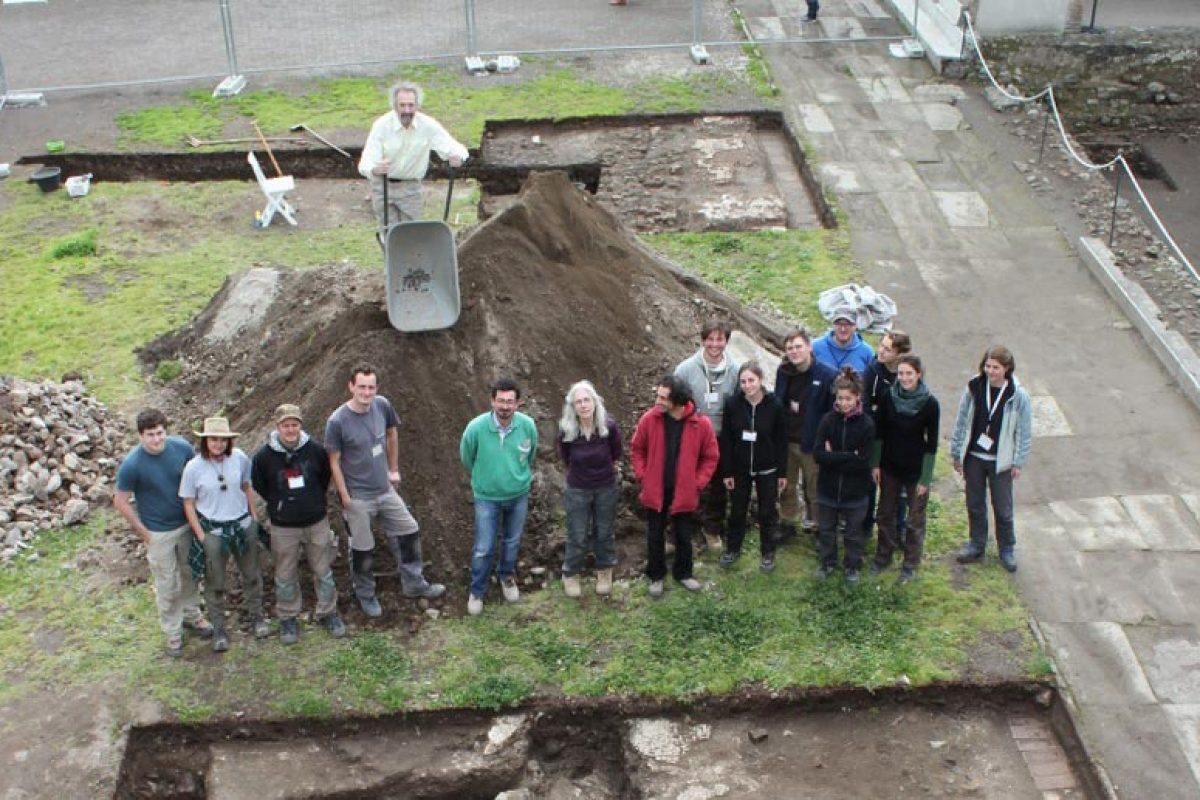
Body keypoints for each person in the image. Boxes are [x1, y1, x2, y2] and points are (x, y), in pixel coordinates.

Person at [326, 364, 445, 619]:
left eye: (371, 387)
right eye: (361, 387)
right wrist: (345, 496)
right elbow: (334, 461)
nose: (366, 392)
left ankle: (414, 584)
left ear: (376, 388)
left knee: (409, 531)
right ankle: (366, 594)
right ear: (351, 387)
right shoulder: (337, 422)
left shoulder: (382, 406)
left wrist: (394, 469)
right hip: (358, 498)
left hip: (385, 490)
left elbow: (392, 433)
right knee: (362, 549)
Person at [114, 409, 213, 658]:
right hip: (158, 533)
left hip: (186, 526)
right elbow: (121, 501)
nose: (157, 440)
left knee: (190, 574)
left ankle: (193, 616)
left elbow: (198, 473)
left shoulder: (180, 448)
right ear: (140, 436)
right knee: (167, 584)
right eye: (150, 435)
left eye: (160, 433)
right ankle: (172, 631)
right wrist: (144, 532)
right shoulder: (132, 464)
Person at [251, 404, 345, 644]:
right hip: (283, 527)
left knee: (323, 570)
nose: (290, 429)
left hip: (316, 522)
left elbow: (324, 477)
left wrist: (312, 501)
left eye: (294, 424)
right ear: (278, 427)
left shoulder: (315, 450)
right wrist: (281, 504)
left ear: (300, 425)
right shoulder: (264, 457)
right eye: (285, 425)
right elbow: (260, 485)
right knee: (284, 574)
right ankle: (287, 617)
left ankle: (328, 612)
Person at [179, 417, 265, 653]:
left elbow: (247, 486)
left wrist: (253, 518)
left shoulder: (239, 458)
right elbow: (188, 502)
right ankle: (219, 628)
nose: (218, 444)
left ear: (229, 441)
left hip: (241, 525)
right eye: (213, 439)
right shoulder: (193, 467)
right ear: (205, 441)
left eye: (223, 440)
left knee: (251, 574)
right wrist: (201, 535)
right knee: (215, 581)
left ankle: (257, 617)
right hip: (213, 531)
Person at [630, 375, 719, 598]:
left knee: (683, 534)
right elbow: (637, 449)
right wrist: (643, 476)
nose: (657, 400)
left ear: (677, 400)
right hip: (656, 489)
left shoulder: (701, 424)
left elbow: (710, 457)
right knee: (655, 534)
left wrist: (697, 483)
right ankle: (656, 576)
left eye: (662, 397)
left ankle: (684, 573)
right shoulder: (649, 419)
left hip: (684, 492)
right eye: (658, 395)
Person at [460, 378, 539, 616]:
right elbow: (467, 457)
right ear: (492, 401)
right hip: (487, 497)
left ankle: (506, 577)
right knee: (484, 547)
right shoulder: (476, 428)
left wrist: (517, 477)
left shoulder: (527, 426)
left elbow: (531, 454)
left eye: (510, 401)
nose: (505, 406)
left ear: (518, 403)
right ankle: (477, 590)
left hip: (518, 495)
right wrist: (485, 478)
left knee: (512, 541)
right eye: (501, 401)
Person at [950, 345, 1032, 573]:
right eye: (987, 366)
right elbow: (961, 419)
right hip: (974, 457)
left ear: (1006, 368)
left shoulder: (1018, 396)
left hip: (1001, 460)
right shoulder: (974, 387)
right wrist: (956, 452)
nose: (990, 371)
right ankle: (977, 544)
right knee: (975, 503)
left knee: (1003, 508)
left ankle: (1007, 548)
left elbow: (1024, 432)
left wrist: (1018, 461)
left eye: (995, 367)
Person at [358, 81, 469, 228]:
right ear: (394, 105)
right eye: (402, 105)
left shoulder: (428, 125)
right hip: (383, 186)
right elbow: (366, 161)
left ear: (417, 105)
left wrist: (457, 157)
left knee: (412, 234)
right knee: (389, 234)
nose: (407, 110)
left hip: (410, 189)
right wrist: (375, 169)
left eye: (411, 105)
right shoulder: (381, 125)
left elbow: (455, 148)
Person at [870, 355, 939, 583]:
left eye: (909, 373)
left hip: (915, 471)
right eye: (900, 373)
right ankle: (883, 555)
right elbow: (879, 434)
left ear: (919, 374)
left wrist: (925, 480)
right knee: (885, 513)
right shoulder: (887, 397)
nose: (904, 378)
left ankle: (910, 564)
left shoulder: (930, 404)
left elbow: (931, 445)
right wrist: (876, 464)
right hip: (889, 468)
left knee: (914, 519)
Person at [674, 319, 739, 552]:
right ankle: (678, 531)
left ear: (726, 342)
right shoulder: (685, 369)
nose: (714, 344)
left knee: (719, 486)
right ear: (702, 341)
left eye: (719, 339)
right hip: (691, 436)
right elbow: (675, 404)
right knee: (685, 482)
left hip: (722, 437)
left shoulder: (736, 370)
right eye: (710, 339)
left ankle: (712, 529)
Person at [719, 362, 788, 573]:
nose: (747, 386)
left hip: (767, 468)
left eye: (751, 380)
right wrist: (727, 470)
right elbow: (727, 440)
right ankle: (733, 548)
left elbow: (781, 440)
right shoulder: (732, 405)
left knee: (767, 512)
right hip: (740, 469)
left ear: (760, 380)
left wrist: (781, 472)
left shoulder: (775, 405)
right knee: (738, 511)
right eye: (743, 382)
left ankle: (768, 553)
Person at [558, 380, 623, 598]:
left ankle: (604, 571)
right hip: (577, 489)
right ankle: (571, 573)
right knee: (577, 534)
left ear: (595, 402)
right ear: (573, 407)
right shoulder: (566, 430)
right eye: (578, 402)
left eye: (587, 400)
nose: (583, 405)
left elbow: (616, 453)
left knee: (604, 532)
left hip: (606, 487)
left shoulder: (609, 427)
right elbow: (566, 457)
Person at [813, 368, 876, 584]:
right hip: (828, 489)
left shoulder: (867, 424)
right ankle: (827, 562)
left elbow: (863, 462)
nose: (844, 403)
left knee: (853, 533)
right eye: (840, 398)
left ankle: (852, 566)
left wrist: (836, 456)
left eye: (848, 398)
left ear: (858, 397)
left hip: (855, 492)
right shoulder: (827, 421)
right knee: (826, 530)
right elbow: (819, 455)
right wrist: (850, 455)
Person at [774, 327, 836, 539]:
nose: (794, 352)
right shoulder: (783, 372)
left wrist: (828, 440)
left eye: (798, 346)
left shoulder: (827, 375)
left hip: (813, 444)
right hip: (787, 441)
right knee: (787, 486)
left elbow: (833, 413)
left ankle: (820, 528)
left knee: (816, 489)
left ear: (809, 347)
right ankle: (788, 523)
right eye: (790, 348)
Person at [863, 330, 913, 540]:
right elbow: (866, 402)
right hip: (873, 436)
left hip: (897, 441)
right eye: (881, 346)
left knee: (896, 490)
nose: (880, 351)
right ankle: (864, 527)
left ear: (900, 354)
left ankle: (898, 529)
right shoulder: (873, 368)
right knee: (868, 486)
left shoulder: (907, 373)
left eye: (887, 349)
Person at [812, 308, 874, 376]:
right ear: (833, 325)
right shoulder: (815, 347)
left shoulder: (867, 352)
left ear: (855, 326)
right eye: (839, 324)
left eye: (848, 324)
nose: (843, 329)